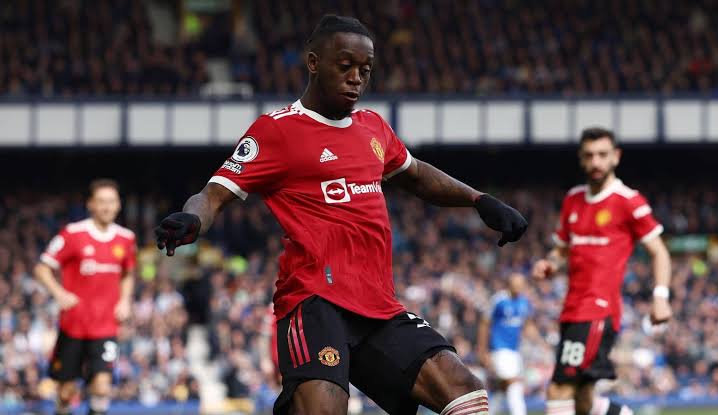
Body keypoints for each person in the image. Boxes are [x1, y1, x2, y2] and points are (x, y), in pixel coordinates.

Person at [154, 14, 528, 415]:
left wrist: (479, 200)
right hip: (314, 301)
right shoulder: (276, 130)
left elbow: (416, 174)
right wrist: (193, 219)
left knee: (465, 391)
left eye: (365, 70)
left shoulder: (373, 127)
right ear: (314, 62)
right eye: (345, 65)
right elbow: (213, 194)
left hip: (379, 305)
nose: (356, 78)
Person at [532, 127, 672, 415]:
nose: (595, 161)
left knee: (559, 388)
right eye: (589, 155)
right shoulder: (573, 199)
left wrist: (660, 297)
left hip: (598, 309)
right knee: (583, 400)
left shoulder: (628, 201)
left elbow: (659, 252)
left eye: (602, 155)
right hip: (571, 309)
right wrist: (550, 263)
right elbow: (561, 249)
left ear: (615, 157)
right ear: (581, 158)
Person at [34, 179, 136, 415]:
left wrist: (125, 300)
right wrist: (59, 293)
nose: (106, 207)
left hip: (106, 327)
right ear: (91, 204)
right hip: (74, 326)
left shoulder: (126, 238)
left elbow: (128, 273)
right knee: (66, 392)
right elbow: (41, 268)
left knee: (102, 387)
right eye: (101, 201)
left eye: (111, 201)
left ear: (118, 205)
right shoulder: (72, 234)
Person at [477, 273, 535, 415]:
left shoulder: (524, 302)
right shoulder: (498, 300)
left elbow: (528, 324)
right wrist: (482, 351)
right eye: (516, 284)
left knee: (502, 388)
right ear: (509, 285)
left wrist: (541, 343)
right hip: (499, 349)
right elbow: (484, 324)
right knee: (514, 383)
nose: (519, 287)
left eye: (521, 284)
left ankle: (488, 413)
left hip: (515, 350)